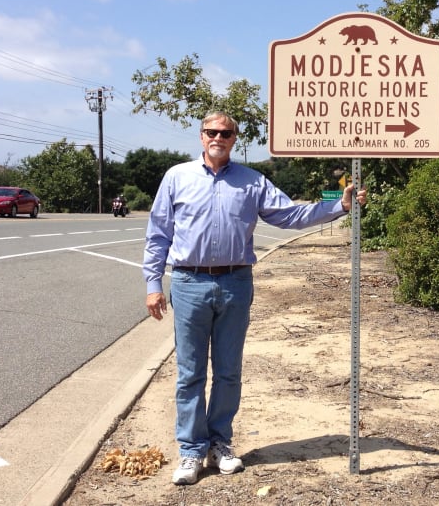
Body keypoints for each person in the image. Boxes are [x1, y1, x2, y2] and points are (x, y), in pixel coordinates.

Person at [143, 111, 367, 485]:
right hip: (188, 283)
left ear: (234, 139)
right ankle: (191, 451)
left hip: (235, 282)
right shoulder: (176, 178)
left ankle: (220, 444)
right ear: (201, 137)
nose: (218, 137)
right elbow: (158, 235)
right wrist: (153, 284)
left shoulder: (252, 182)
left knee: (229, 371)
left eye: (226, 133)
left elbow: (290, 215)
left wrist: (339, 208)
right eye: (212, 132)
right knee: (190, 373)